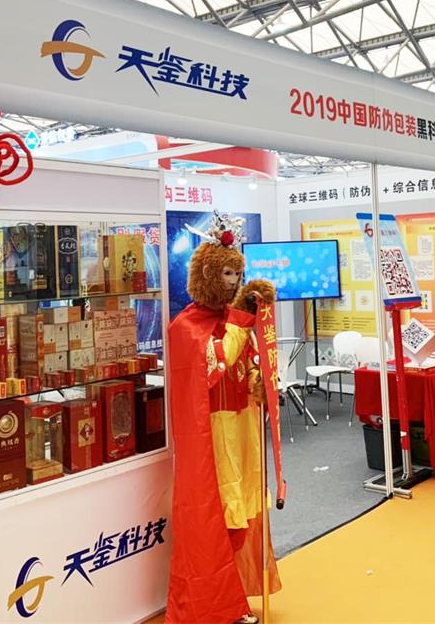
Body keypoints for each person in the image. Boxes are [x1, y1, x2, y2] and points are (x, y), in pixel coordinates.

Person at [165, 212, 281, 624]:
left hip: (242, 426)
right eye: (227, 273)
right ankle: (217, 604)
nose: (233, 282)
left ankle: (233, 596)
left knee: (244, 509)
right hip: (213, 434)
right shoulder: (185, 327)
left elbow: (246, 364)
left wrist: (260, 381)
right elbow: (214, 366)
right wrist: (241, 324)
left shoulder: (232, 321)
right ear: (208, 275)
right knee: (220, 516)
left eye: (237, 274)